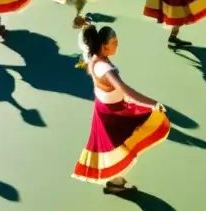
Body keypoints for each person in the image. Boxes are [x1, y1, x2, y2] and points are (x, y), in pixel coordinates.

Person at [73, 24, 170, 194]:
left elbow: (83, 42)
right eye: (114, 42)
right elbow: (127, 91)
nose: (117, 45)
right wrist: (153, 104)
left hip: (104, 108)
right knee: (119, 147)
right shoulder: (105, 69)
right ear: (104, 46)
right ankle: (114, 183)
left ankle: (115, 180)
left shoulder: (92, 56)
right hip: (115, 113)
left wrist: (85, 25)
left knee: (113, 147)